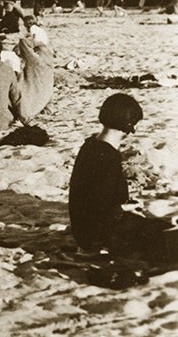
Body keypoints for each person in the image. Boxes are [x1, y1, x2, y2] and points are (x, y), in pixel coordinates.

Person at [68, 93, 178, 264]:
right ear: (128, 125)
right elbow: (102, 210)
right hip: (97, 236)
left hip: (82, 231)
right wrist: (126, 208)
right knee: (167, 237)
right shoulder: (108, 156)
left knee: (159, 229)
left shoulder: (89, 145)